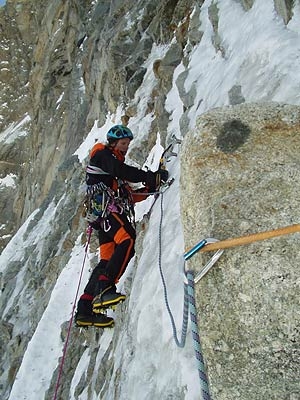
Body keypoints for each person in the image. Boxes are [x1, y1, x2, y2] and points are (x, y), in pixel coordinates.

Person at [75, 124, 168, 327]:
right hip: (107, 213)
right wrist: (149, 176)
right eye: (123, 143)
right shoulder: (101, 154)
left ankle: (85, 309)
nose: (126, 147)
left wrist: (151, 186)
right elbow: (121, 170)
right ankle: (105, 288)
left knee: (107, 260)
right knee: (128, 238)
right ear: (113, 143)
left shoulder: (111, 173)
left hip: (104, 216)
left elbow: (127, 195)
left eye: (128, 144)